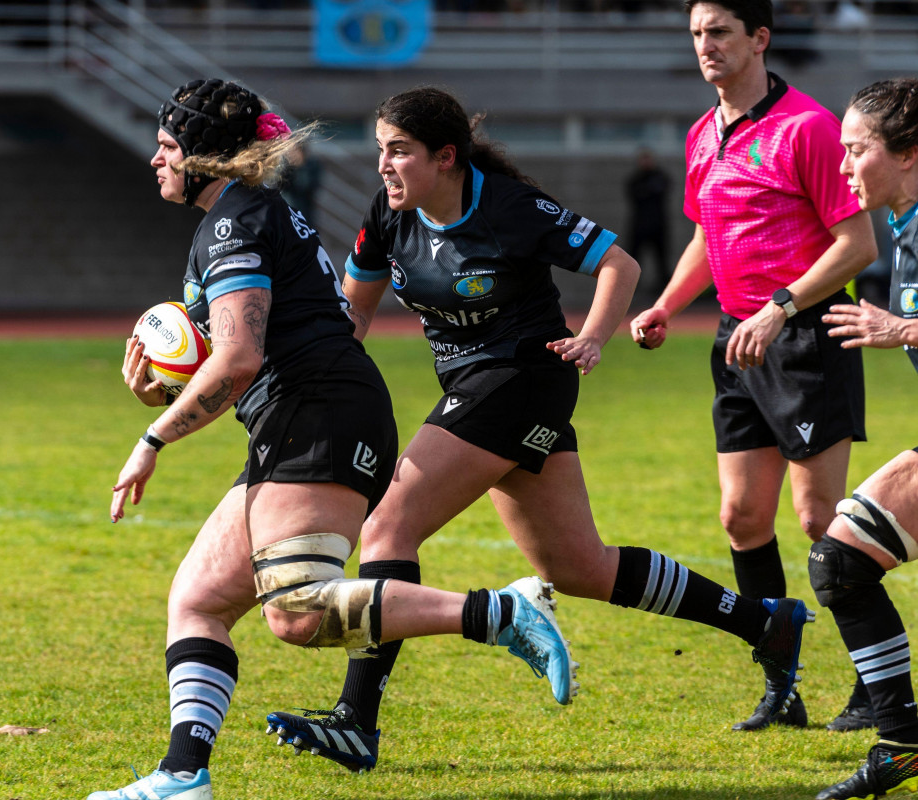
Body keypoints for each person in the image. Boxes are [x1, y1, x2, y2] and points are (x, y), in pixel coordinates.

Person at [264, 85, 814, 774]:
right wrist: (307, 376)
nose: (383, 165)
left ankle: (353, 723)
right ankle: (764, 621)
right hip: (477, 391)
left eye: (398, 152)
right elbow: (353, 317)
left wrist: (592, 336)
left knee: (387, 528)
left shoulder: (508, 208)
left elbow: (621, 263)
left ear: (445, 157)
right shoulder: (388, 215)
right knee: (576, 566)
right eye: (379, 150)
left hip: (524, 379)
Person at [88, 78, 580, 800]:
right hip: (299, 412)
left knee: (293, 611)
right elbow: (240, 357)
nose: (155, 161)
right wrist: (162, 389)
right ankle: (182, 775)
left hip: (317, 413)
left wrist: (153, 437)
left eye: (166, 148)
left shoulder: (233, 224)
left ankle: (499, 613)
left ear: (206, 157)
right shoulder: (244, 216)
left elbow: (239, 357)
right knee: (197, 599)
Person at [629, 0, 879, 731]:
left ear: (758, 39)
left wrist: (777, 307)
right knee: (741, 518)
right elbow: (709, 234)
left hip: (803, 339)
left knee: (816, 519)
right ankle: (782, 686)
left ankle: (876, 676)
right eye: (696, 34)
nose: (705, 46)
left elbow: (856, 244)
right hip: (737, 341)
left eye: (719, 33)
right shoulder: (701, 134)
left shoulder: (807, 127)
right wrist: (666, 304)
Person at [811, 77, 918, 800]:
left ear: (908, 153)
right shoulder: (905, 231)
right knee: (839, 564)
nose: (844, 168)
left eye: (856, 150)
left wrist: (899, 328)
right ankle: (903, 743)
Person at [625, 149, 672, 293]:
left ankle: (663, 288)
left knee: (662, 259)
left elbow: (663, 188)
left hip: (658, 225)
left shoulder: (660, 176)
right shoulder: (635, 179)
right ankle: (632, 288)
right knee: (633, 259)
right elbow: (635, 194)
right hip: (639, 225)